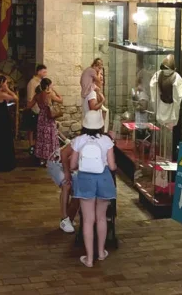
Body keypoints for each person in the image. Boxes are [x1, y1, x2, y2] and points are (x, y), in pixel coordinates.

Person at [70, 110, 116, 268]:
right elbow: (112, 166)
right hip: (104, 179)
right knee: (101, 218)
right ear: (100, 125)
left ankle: (89, 259)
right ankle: (101, 253)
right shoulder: (106, 140)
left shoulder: (78, 140)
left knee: (88, 220)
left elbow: (72, 165)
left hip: (85, 180)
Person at [34, 78, 63, 166]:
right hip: (48, 117)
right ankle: (50, 158)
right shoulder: (49, 94)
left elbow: (29, 105)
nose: (52, 86)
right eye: (51, 85)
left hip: (41, 117)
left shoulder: (37, 95)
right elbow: (61, 100)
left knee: (42, 137)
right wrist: (55, 91)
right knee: (50, 136)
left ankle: (42, 159)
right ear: (47, 86)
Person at [23, 64, 47, 153]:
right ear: (39, 72)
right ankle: (31, 145)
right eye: (44, 72)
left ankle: (37, 144)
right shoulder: (32, 82)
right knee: (32, 128)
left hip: (40, 108)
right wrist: (32, 105)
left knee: (37, 128)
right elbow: (30, 97)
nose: (45, 74)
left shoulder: (41, 81)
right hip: (34, 108)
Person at [59, 141, 78, 233]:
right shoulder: (81, 139)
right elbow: (64, 153)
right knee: (66, 185)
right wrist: (67, 172)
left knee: (77, 193)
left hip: (74, 166)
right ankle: (64, 219)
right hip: (58, 163)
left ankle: (69, 218)